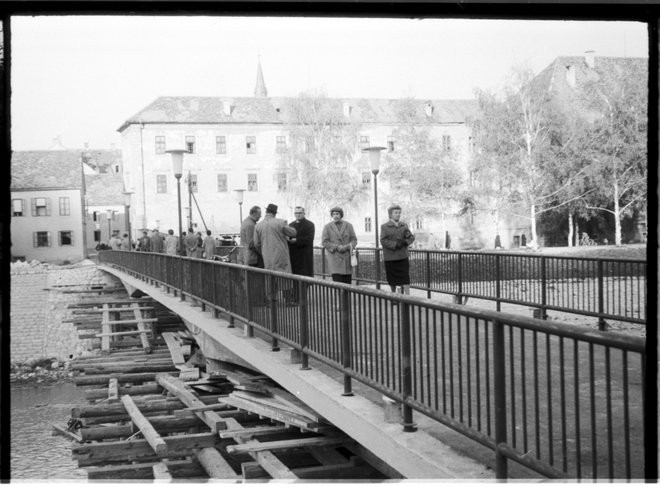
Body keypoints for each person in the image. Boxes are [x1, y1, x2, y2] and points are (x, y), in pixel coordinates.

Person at [380, 204, 415, 295]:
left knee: (405, 277)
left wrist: (405, 242)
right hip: (391, 257)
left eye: (399, 213)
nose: (398, 214)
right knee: (392, 279)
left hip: (403, 256)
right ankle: (394, 296)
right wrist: (395, 244)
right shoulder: (385, 226)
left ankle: (408, 296)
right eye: (396, 213)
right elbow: (383, 240)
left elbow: (411, 237)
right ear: (390, 214)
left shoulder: (404, 225)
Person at [254, 203, 297, 272]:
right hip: (281, 255)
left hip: (266, 256)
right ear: (275, 213)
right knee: (283, 278)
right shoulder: (281, 222)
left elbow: (256, 244)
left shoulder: (258, 225)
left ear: (266, 212)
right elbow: (293, 233)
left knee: (270, 277)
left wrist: (263, 250)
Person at [321, 206, 357, 284]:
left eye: (337, 214)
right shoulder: (327, 227)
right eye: (333, 214)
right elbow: (324, 242)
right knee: (338, 284)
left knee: (347, 285)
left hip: (346, 259)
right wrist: (336, 247)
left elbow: (354, 240)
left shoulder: (348, 225)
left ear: (341, 215)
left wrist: (346, 247)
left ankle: (347, 296)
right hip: (335, 259)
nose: (335, 216)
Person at [288, 206, 315, 277]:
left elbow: (310, 239)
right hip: (293, 255)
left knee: (305, 277)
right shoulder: (290, 225)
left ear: (304, 213)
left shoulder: (310, 224)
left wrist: (297, 240)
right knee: (294, 277)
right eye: (296, 213)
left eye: (300, 213)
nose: (298, 215)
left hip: (305, 255)